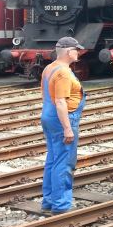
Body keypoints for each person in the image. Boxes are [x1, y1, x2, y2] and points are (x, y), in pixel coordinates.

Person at [40, 36, 87, 214]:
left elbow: (46, 95)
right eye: (77, 50)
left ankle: (49, 201)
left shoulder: (49, 68)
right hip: (63, 119)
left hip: (49, 115)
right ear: (68, 52)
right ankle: (60, 204)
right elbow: (60, 101)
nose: (79, 53)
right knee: (64, 162)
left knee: (53, 159)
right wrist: (67, 128)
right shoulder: (63, 73)